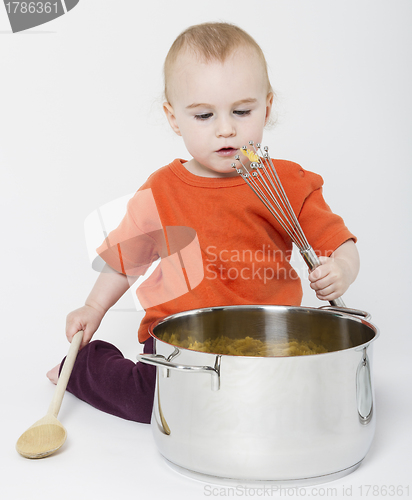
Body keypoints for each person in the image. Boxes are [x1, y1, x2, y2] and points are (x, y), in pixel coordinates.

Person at [47, 22, 359, 423]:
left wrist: (342, 269)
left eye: (242, 111)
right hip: (181, 346)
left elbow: (340, 243)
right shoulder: (161, 190)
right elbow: (127, 261)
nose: (225, 128)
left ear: (268, 106)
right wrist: (93, 306)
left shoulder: (286, 182)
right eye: (204, 115)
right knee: (154, 405)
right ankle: (86, 368)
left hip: (269, 341)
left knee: (295, 407)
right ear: (174, 118)